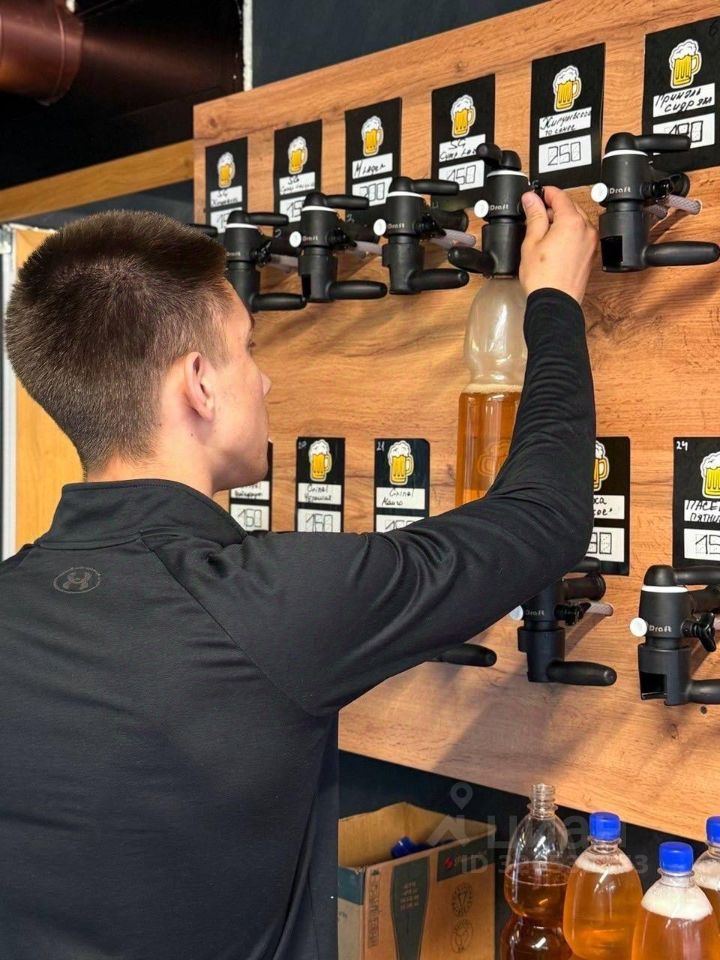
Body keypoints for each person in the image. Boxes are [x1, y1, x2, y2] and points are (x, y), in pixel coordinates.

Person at [0, 186, 597, 960]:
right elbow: (542, 518)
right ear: (199, 383)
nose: (265, 381)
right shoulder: (263, 603)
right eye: (248, 349)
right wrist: (554, 302)